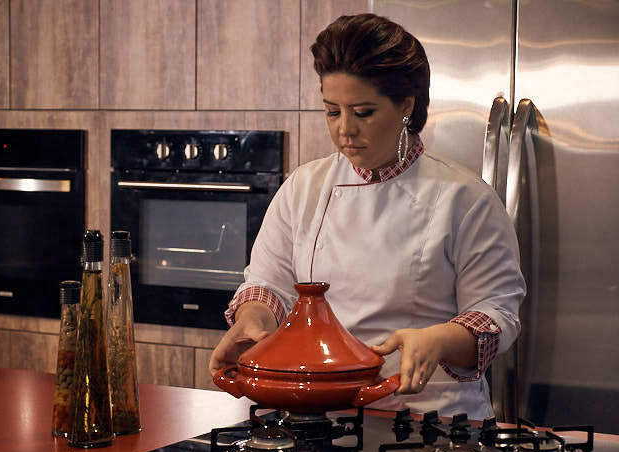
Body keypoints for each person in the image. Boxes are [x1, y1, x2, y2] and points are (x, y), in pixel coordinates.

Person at [209, 13, 525, 418]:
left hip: (429, 423)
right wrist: (253, 319)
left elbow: (498, 311)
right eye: (332, 112)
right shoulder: (303, 188)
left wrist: (441, 339)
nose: (345, 131)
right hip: (316, 418)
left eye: (363, 112)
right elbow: (268, 283)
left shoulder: (466, 199)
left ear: (406, 105)